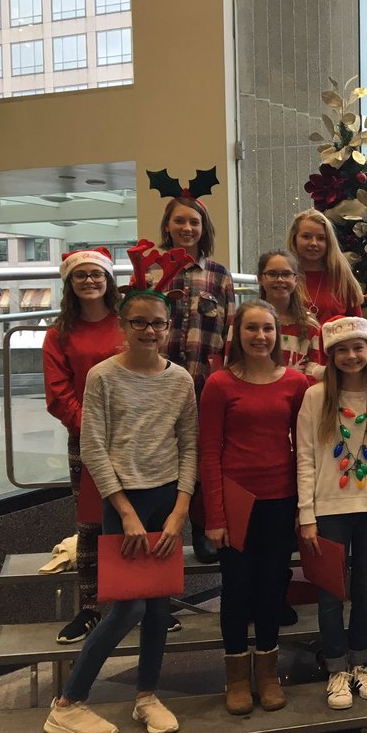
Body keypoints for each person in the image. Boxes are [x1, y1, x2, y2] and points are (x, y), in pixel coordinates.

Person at [43, 290, 197, 733]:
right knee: (129, 606)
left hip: (167, 500)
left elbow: (189, 445)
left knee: (158, 607)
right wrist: (125, 511)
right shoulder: (103, 377)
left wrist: (181, 509)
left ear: (169, 327)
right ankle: (68, 703)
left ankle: (147, 695)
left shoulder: (180, 380)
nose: (149, 331)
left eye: (158, 323)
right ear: (123, 326)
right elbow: (93, 447)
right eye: (139, 322)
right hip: (124, 502)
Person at [198, 300, 310, 714]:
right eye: (252, 328)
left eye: (267, 329)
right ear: (237, 333)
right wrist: (215, 516)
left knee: (271, 587)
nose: (260, 337)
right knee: (237, 588)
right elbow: (209, 453)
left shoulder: (296, 382)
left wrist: (302, 505)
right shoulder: (219, 384)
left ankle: (267, 673)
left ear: (277, 335)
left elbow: (304, 449)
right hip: (236, 500)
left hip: (280, 499)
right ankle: (236, 678)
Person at [297, 316, 367, 709]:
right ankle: (336, 667)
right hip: (328, 510)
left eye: (358, 348)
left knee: (365, 590)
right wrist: (306, 514)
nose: (351, 356)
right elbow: (306, 458)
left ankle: (360, 662)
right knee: (330, 594)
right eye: (341, 350)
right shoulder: (316, 398)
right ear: (331, 355)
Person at [43, 248, 125, 645]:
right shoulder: (58, 334)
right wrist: (92, 432)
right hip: (87, 440)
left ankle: (145, 601)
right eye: (81, 275)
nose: (90, 281)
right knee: (91, 523)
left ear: (108, 279)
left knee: (140, 517)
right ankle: (90, 607)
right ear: (69, 283)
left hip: (136, 439)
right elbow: (58, 393)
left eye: (96, 274)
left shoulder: (129, 322)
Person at [153, 195, 235, 566]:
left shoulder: (218, 274)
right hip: (158, 383)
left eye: (194, 222)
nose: (187, 228)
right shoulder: (153, 271)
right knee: (162, 452)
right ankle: (164, 525)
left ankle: (201, 527)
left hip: (203, 382)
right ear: (167, 226)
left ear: (204, 229)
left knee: (202, 454)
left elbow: (230, 329)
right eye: (180, 221)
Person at [255, 249, 324, 380]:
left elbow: (313, 379)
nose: (279, 279)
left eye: (286, 274)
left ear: (296, 279)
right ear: (260, 278)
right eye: (272, 274)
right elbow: (234, 369)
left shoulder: (311, 328)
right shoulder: (244, 324)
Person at [286, 209, 364, 320]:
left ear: (329, 242)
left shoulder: (342, 278)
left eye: (321, 238)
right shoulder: (284, 277)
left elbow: (359, 326)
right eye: (306, 236)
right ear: (294, 239)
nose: (313, 243)